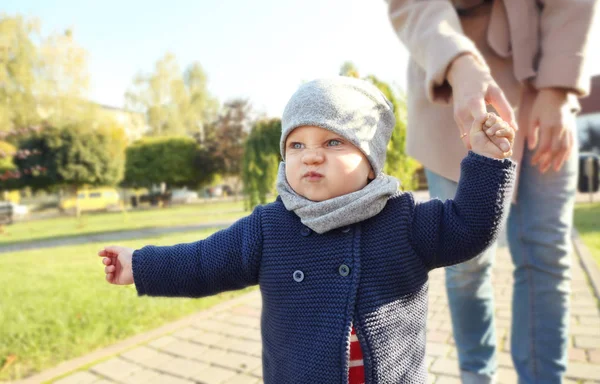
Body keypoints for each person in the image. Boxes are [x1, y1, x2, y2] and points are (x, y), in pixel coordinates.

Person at [99, 77, 516, 383]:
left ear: (370, 161)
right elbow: (204, 262)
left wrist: (485, 161)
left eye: (334, 143)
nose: (311, 156)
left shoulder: (403, 219)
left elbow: (469, 228)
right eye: (297, 145)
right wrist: (140, 264)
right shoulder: (269, 227)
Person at [383, 0, 599, 383]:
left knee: (547, 253)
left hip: (543, 70)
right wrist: (458, 62)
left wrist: (558, 85)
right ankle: (475, 377)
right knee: (465, 263)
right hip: (451, 81)